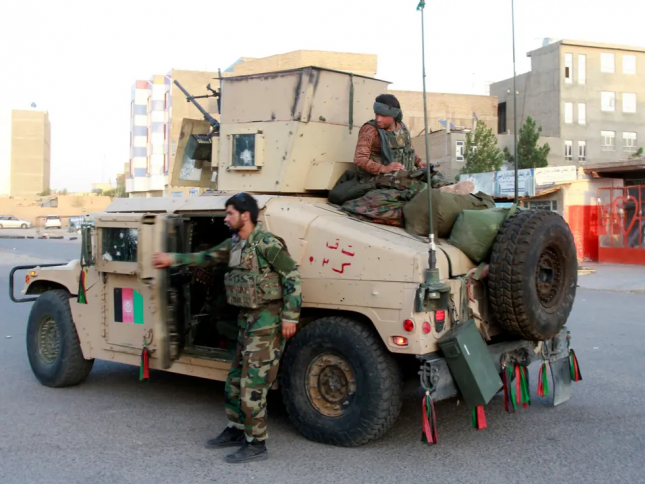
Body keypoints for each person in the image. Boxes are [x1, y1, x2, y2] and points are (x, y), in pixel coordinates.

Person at [152, 192, 302, 464]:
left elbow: (291, 276)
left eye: (230, 213)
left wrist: (290, 317)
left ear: (245, 215)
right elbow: (206, 257)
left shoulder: (267, 243)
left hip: (266, 324)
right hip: (246, 321)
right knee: (234, 380)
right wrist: (172, 259)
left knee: (253, 385)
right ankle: (236, 429)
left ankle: (256, 443)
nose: (225, 218)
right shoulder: (234, 244)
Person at [353, 93, 427, 178]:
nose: (378, 119)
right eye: (377, 114)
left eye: (383, 115)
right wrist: (384, 168)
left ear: (394, 115)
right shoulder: (370, 129)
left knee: (434, 178)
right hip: (379, 178)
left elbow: (408, 149)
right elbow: (359, 159)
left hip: (404, 174)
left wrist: (419, 162)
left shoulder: (402, 127)